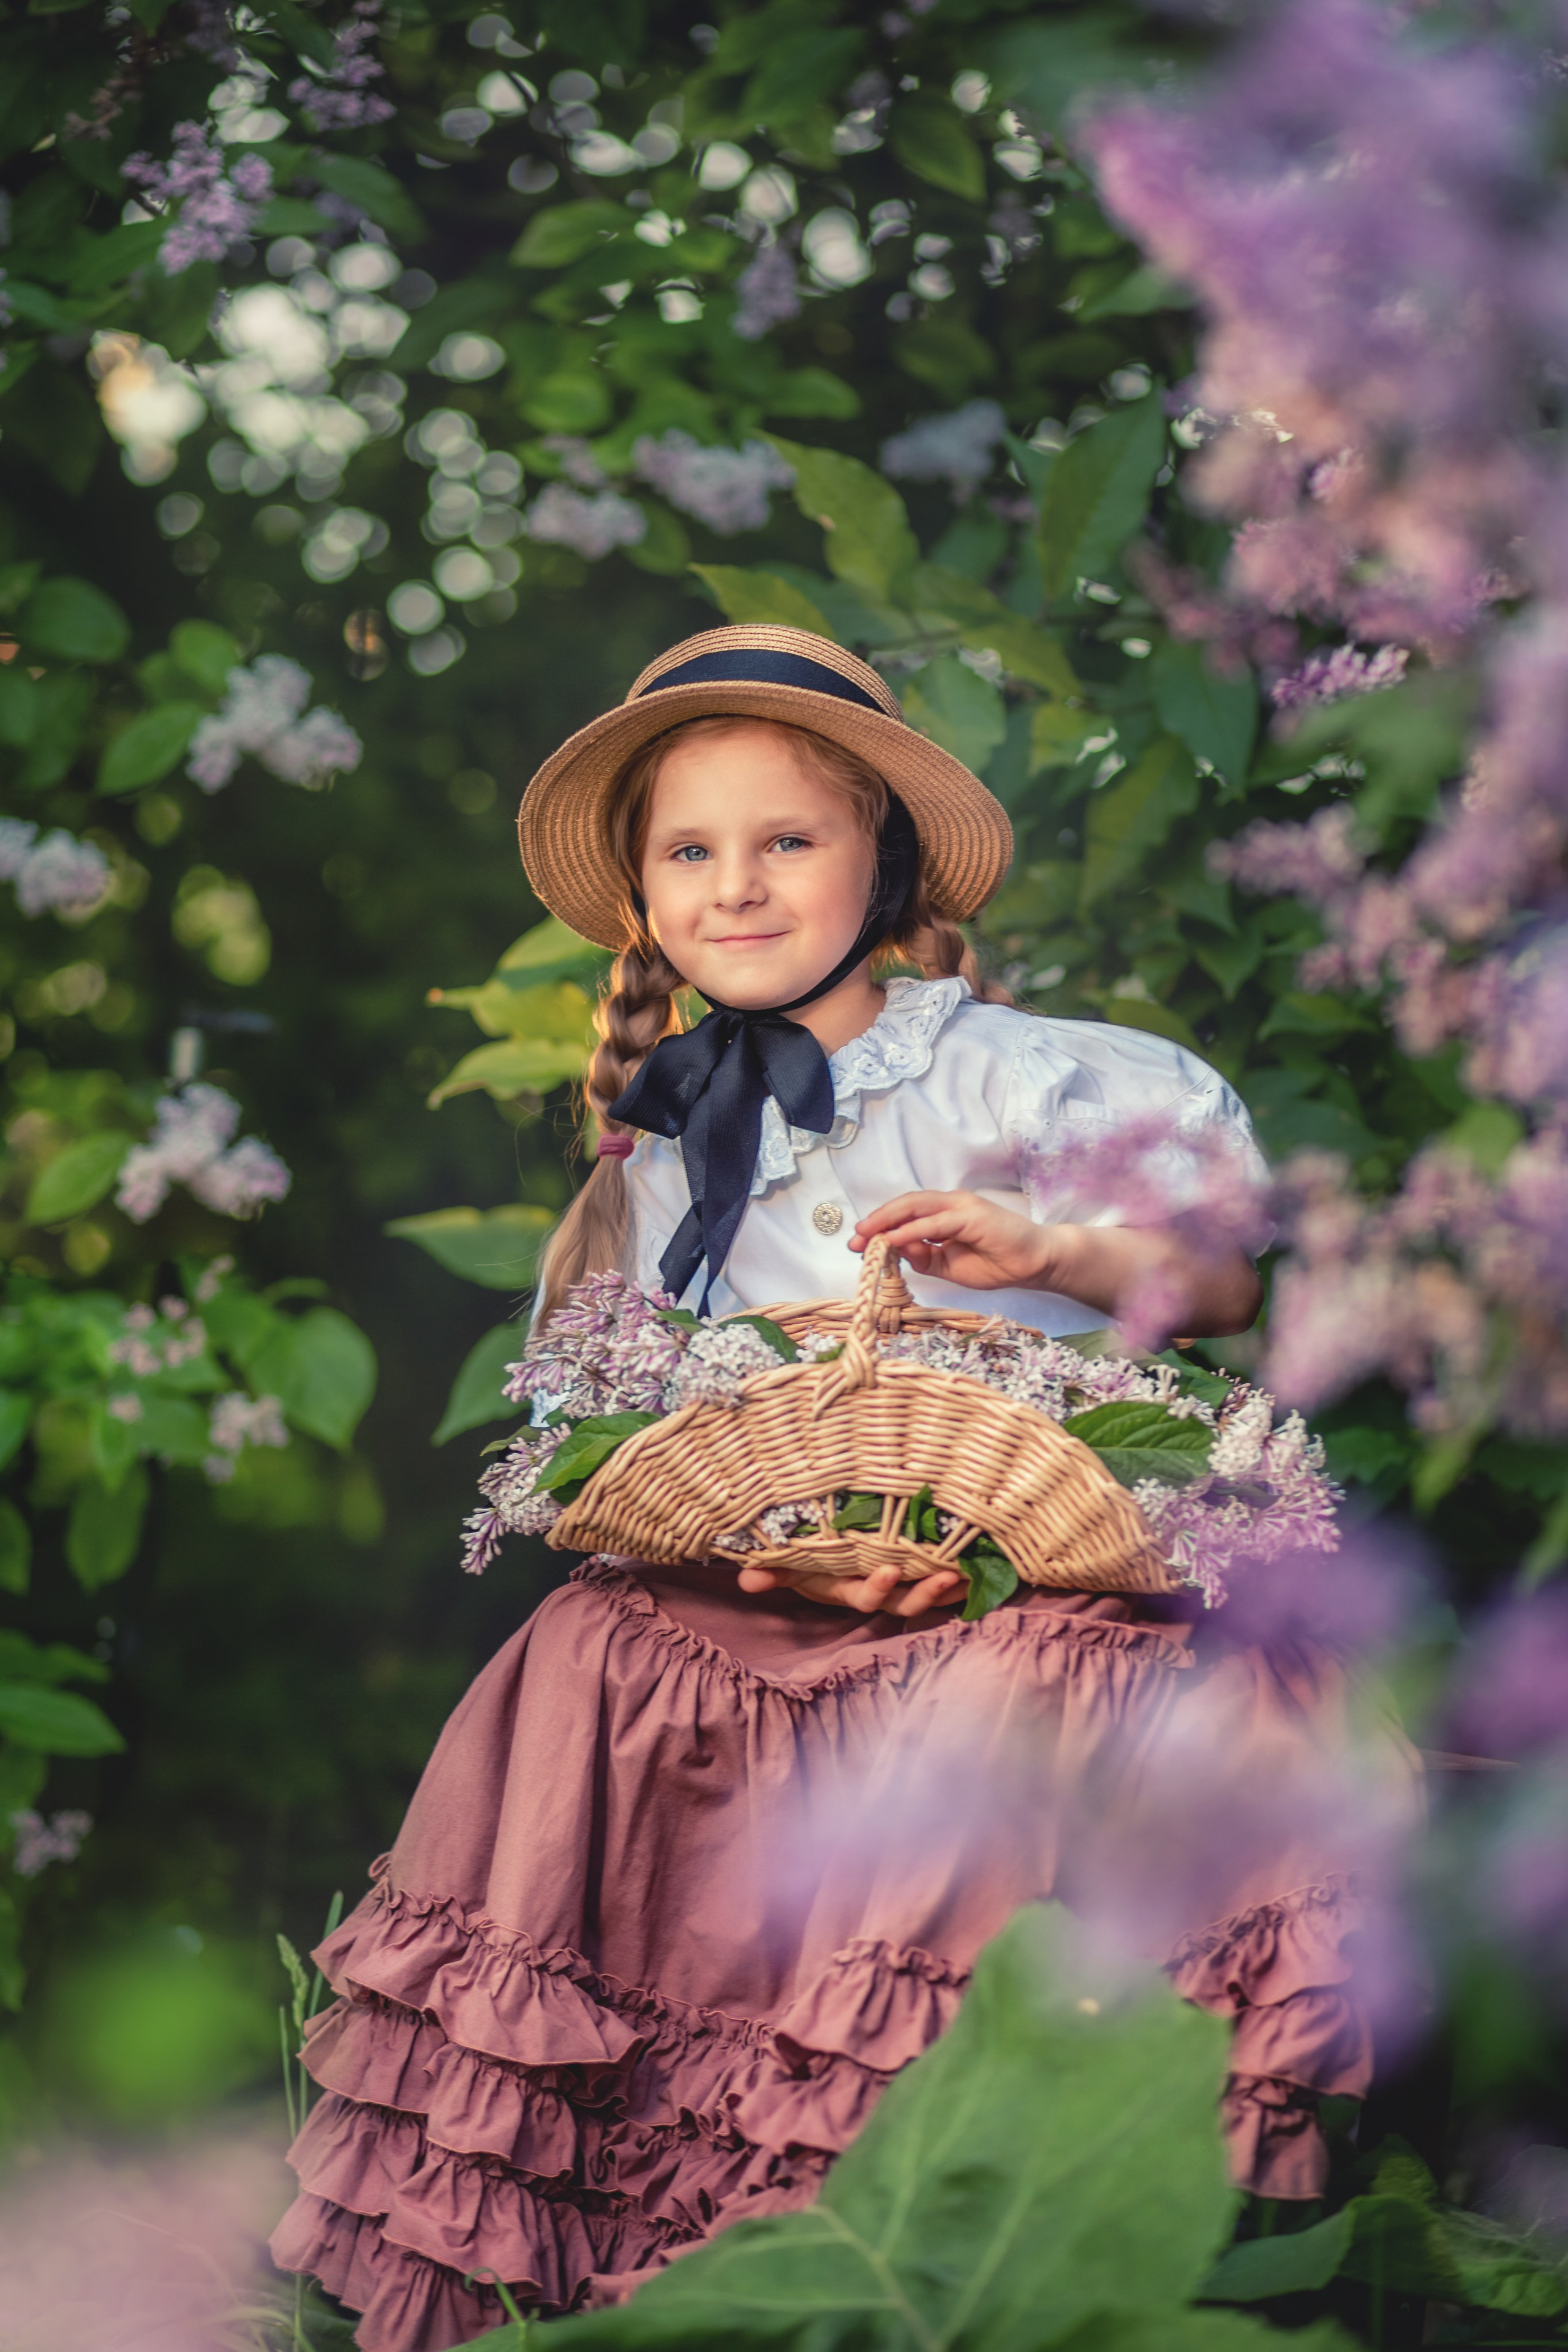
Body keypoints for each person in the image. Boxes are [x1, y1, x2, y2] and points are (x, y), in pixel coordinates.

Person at [271, 627, 1404, 2351]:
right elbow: (634, 1448)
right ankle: (651, 2217)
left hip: (1046, 1578)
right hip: (784, 1594)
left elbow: (1235, 1284)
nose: (737, 886)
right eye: (691, 850)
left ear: (883, 860)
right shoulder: (659, 1163)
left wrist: (1058, 1248)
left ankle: (970, 2205)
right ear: (644, 897)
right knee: (591, 1645)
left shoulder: (1031, 1078)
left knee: (1026, 1689)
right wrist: (780, 1549)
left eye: (786, 840)